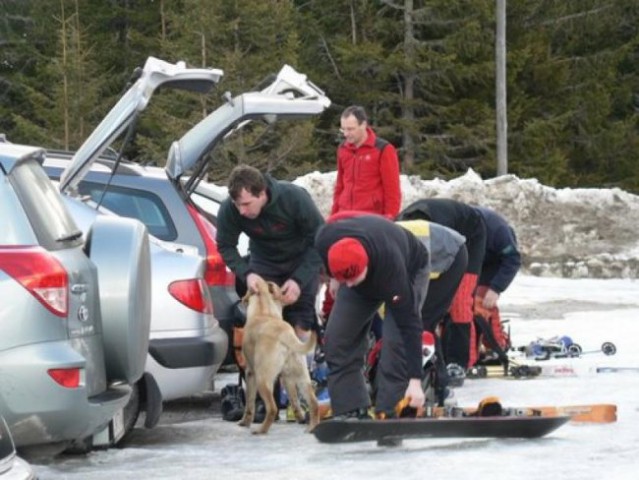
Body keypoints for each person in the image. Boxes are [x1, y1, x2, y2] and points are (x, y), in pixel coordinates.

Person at [314, 213, 430, 418]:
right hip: (357, 263)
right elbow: (344, 215)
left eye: (351, 279)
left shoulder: (392, 274)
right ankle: (350, 408)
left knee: (395, 344)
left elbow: (409, 328)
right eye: (344, 280)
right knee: (337, 338)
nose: (348, 285)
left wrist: (415, 380)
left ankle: (389, 411)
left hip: (409, 267)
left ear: (365, 265)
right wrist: (335, 277)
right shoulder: (324, 240)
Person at [216, 164, 324, 339]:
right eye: (237, 205)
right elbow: (225, 245)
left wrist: (298, 280)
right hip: (264, 261)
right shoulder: (230, 209)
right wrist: (247, 274)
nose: (242, 211)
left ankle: (304, 363)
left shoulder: (294, 198)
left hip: (300, 259)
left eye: (246, 204)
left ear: (262, 193)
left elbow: (320, 239)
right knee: (264, 322)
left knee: (301, 320)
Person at [397, 198, 487, 370]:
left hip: (469, 238)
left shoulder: (438, 232)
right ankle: (439, 353)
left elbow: (441, 267)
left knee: (459, 302)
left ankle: (460, 362)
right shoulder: (398, 230)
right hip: (435, 239)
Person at [330, 105, 401, 220]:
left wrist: (390, 218)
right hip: (344, 215)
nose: (346, 134)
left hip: (371, 218)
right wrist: (333, 215)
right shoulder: (343, 149)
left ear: (363, 125)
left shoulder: (383, 149)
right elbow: (340, 186)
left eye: (350, 129)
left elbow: (392, 190)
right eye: (343, 129)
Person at [473, 206, 522, 357]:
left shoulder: (498, 230)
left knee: (482, 304)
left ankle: (497, 344)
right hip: (470, 263)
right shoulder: (457, 230)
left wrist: (496, 288)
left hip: (494, 263)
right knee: (460, 305)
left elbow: (513, 260)